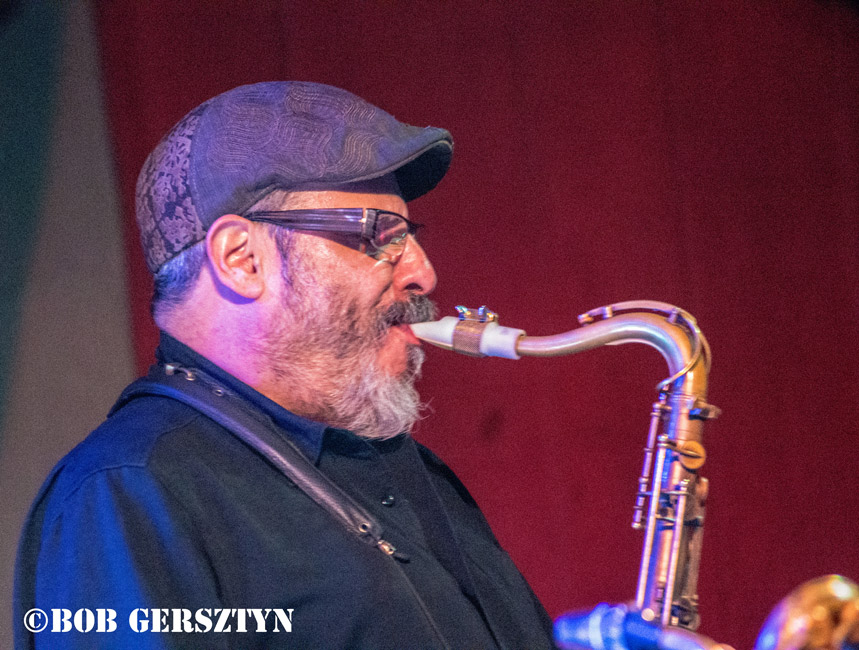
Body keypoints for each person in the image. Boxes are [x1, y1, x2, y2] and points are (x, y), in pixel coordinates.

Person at [14, 81, 555, 649]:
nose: (424, 273)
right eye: (379, 236)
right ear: (242, 260)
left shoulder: (407, 468)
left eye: (410, 235)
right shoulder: (128, 491)